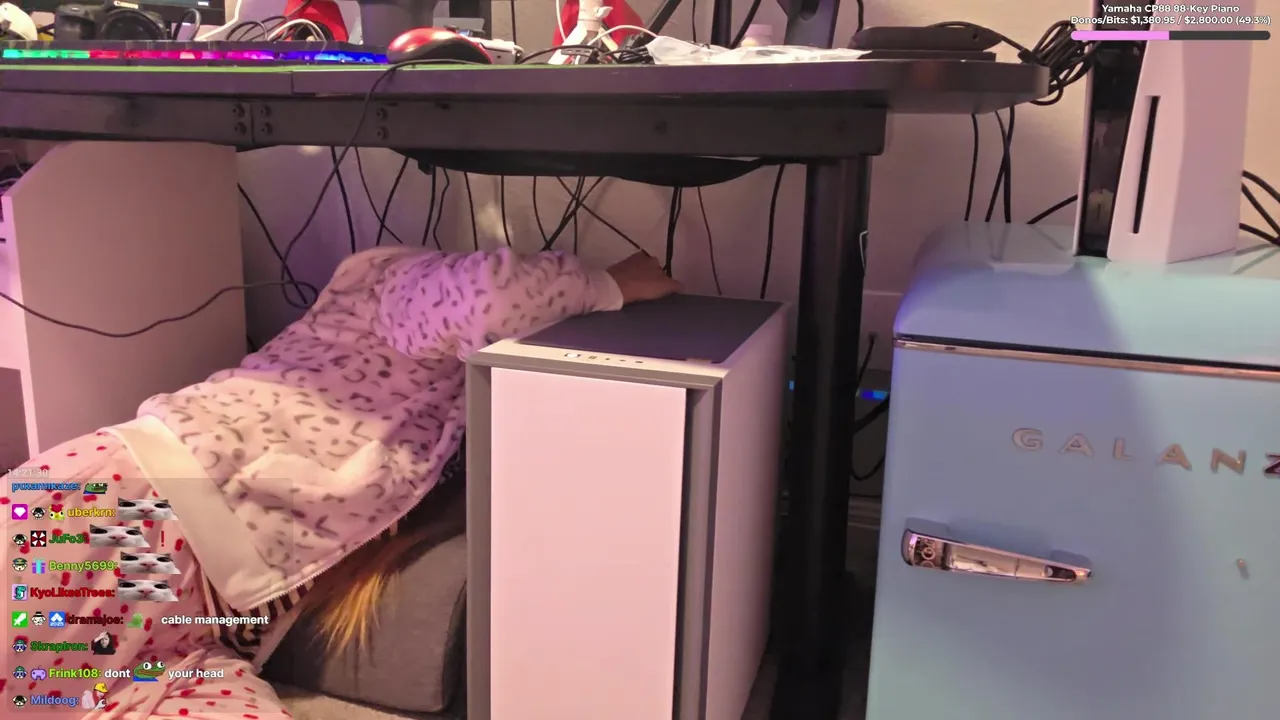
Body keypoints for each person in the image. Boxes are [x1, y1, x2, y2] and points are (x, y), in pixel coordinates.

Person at [0, 247, 681, 718]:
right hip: (131, 506)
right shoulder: (382, 288)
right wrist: (608, 282)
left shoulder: (446, 426)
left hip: (194, 626)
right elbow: (489, 295)